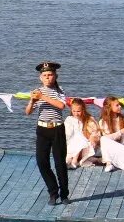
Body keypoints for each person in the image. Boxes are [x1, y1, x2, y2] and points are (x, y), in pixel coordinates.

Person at [25, 61, 69, 205]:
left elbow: (61, 106)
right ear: (40, 77)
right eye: (45, 75)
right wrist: (32, 101)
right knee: (41, 161)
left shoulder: (60, 91)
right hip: (42, 129)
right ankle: (53, 191)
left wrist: (42, 97)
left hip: (57, 129)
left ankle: (64, 194)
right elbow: (28, 112)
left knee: (60, 163)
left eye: (50, 75)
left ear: (55, 76)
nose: (48, 77)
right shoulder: (37, 91)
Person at [65, 98, 101, 169]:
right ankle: (71, 160)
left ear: (83, 110)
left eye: (78, 111)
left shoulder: (89, 119)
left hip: (86, 145)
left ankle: (75, 160)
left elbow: (96, 132)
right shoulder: (70, 119)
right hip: (73, 144)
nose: (76, 113)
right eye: (74, 111)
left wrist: (92, 137)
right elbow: (67, 133)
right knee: (75, 138)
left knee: (79, 137)